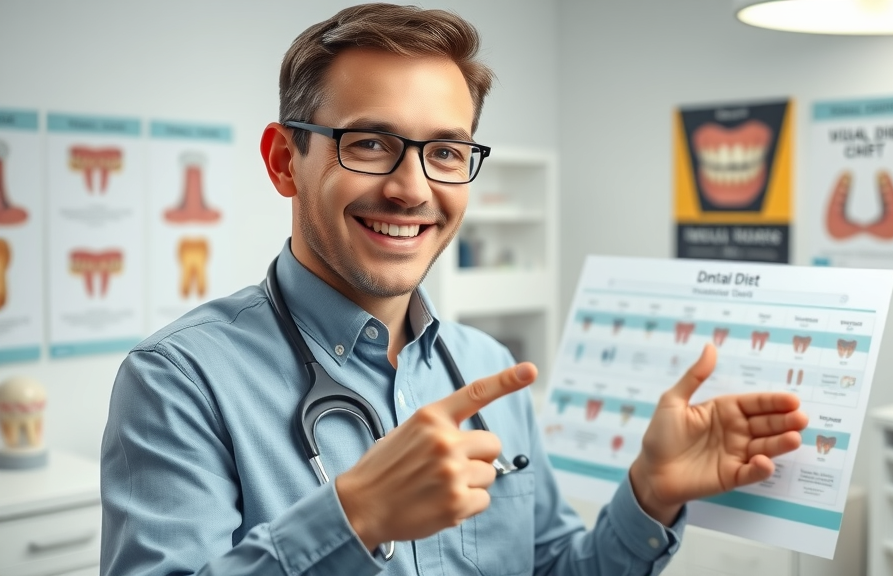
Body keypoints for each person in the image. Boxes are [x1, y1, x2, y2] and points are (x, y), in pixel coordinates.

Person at [100, 4, 808, 575]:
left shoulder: (487, 367)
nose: (412, 190)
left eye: (444, 152)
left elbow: (555, 567)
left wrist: (651, 493)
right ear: (286, 161)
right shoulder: (178, 380)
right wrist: (353, 519)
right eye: (370, 143)